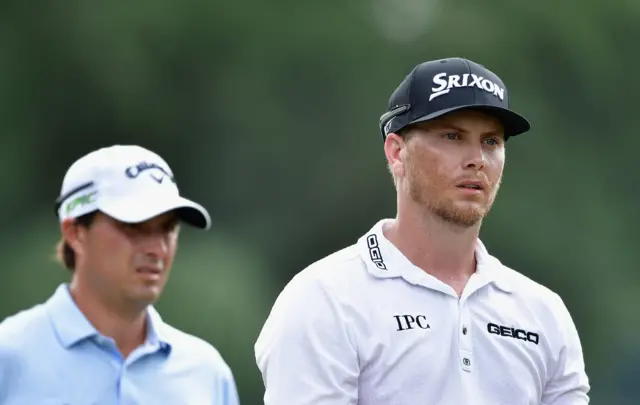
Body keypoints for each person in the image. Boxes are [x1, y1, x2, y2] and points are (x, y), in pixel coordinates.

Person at [254, 57, 590, 404]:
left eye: (491, 142)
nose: (477, 158)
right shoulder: (323, 299)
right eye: (452, 136)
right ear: (397, 152)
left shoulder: (544, 312)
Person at [0, 145, 240, 405]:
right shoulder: (9, 356)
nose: (157, 249)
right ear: (75, 233)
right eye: (134, 226)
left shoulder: (207, 374)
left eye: (168, 228)